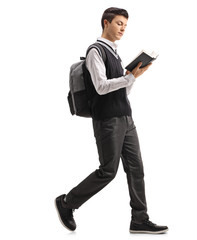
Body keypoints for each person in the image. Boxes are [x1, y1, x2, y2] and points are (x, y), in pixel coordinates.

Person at [55, 7, 168, 234]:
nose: (123, 29)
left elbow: (121, 92)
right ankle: (67, 202)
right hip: (107, 121)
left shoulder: (115, 53)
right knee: (108, 171)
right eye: (118, 23)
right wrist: (128, 77)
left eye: (125, 25)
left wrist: (133, 78)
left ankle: (139, 219)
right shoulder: (95, 51)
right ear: (105, 23)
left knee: (136, 168)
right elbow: (101, 86)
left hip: (126, 118)